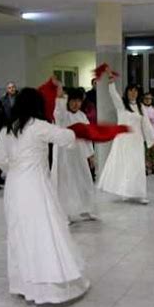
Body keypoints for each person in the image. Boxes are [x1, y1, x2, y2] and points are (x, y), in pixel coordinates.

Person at [0, 87, 127, 305]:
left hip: (14, 187)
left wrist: (16, 168)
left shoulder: (6, 130)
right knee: (44, 230)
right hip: (35, 185)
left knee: (20, 231)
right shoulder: (38, 127)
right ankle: (50, 286)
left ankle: (22, 283)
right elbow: (66, 137)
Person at [97, 75, 154, 204]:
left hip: (136, 140)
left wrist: (152, 140)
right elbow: (113, 95)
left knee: (137, 166)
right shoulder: (121, 105)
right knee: (125, 166)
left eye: (135, 90)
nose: (133, 93)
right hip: (123, 140)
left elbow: (146, 124)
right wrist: (111, 84)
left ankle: (140, 193)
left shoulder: (141, 107)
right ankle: (125, 191)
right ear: (127, 92)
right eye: (130, 90)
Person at [52, 87, 97, 221]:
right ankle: (65, 213)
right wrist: (60, 97)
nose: (76, 104)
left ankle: (86, 209)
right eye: (73, 101)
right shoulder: (63, 115)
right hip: (64, 155)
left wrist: (91, 155)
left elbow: (88, 136)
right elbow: (57, 112)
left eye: (79, 101)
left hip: (79, 154)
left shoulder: (82, 116)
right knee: (65, 183)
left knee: (84, 180)